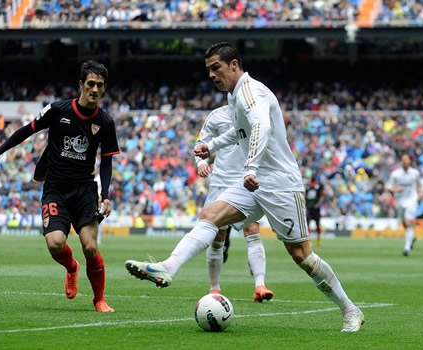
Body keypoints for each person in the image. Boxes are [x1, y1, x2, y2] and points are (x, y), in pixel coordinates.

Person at [125, 42, 364, 332]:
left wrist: (250, 166)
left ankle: (350, 310)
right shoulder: (235, 96)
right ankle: (168, 266)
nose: (212, 75)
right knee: (211, 215)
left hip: (279, 183)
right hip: (252, 183)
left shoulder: (252, 92)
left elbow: (261, 127)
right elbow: (239, 132)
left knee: (302, 256)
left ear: (234, 65)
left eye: (217, 68)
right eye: (209, 70)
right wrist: (211, 145)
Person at [0, 60, 119, 312]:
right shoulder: (57, 110)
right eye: (90, 84)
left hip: (85, 190)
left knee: (90, 246)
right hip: (55, 188)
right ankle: (71, 267)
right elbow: (25, 131)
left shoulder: (105, 122)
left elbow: (106, 161)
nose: (94, 89)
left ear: (104, 88)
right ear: (81, 85)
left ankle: (99, 300)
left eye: (99, 85)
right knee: (55, 243)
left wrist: (105, 194)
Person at [195, 105, 274, 302]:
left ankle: (260, 285)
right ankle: (214, 289)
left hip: (246, 179)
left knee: (252, 230)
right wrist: (202, 163)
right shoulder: (216, 115)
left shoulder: (256, 113)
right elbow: (201, 143)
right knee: (218, 235)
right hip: (221, 182)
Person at [385, 153, 423, 256]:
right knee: (405, 224)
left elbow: (419, 185)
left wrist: (419, 194)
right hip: (400, 201)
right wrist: (396, 189)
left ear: (410, 161)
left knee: (408, 221)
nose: (405, 161)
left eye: (407, 159)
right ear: (401, 161)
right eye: (403, 159)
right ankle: (412, 237)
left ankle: (407, 248)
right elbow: (388, 187)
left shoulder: (415, 173)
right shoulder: (395, 174)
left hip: (412, 200)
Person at [305, 174, 325, 247]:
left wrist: (318, 204)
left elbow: (322, 196)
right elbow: (305, 196)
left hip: (316, 208)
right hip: (309, 207)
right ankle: (309, 240)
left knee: (317, 224)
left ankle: (318, 239)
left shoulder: (319, 185)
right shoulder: (308, 186)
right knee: (307, 224)